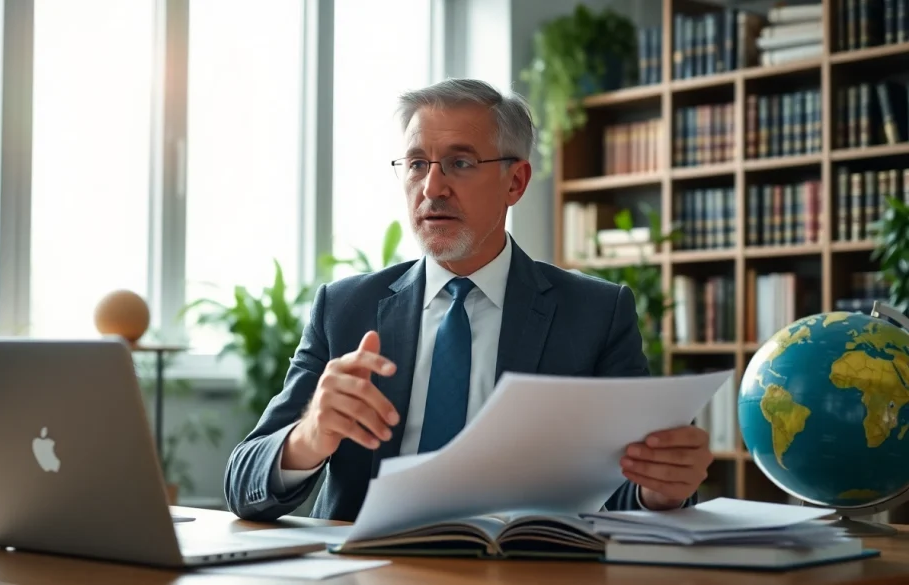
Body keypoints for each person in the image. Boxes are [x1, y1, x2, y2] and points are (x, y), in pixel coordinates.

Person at [223, 78, 712, 522]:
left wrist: (659, 488)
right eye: (417, 164)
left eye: (460, 163)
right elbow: (242, 482)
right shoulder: (345, 308)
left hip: (522, 569)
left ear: (515, 182)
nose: (432, 188)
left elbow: (629, 488)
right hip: (367, 568)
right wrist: (309, 436)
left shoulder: (595, 314)